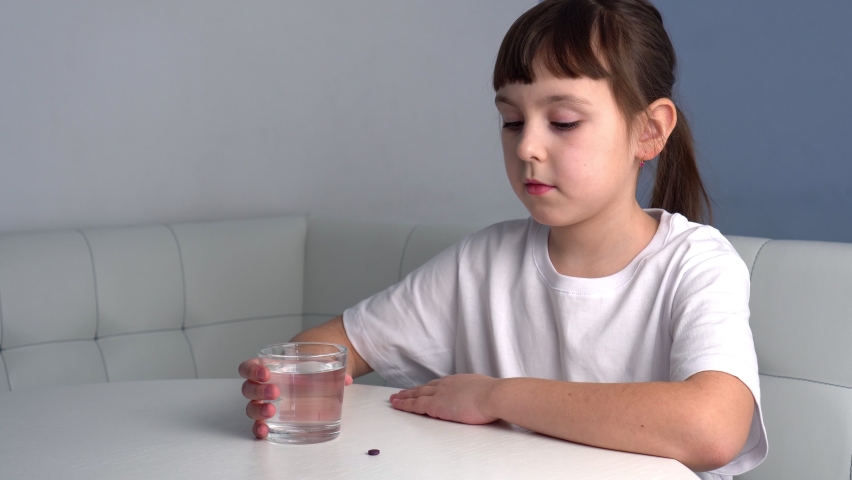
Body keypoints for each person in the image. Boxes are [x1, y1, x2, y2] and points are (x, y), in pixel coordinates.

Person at [239, 1, 767, 478]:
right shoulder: (483, 262)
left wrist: (496, 396)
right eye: (512, 121)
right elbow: (340, 344)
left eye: (562, 121)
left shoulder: (696, 264)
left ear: (649, 131)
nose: (528, 146)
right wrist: (279, 379)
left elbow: (712, 429)